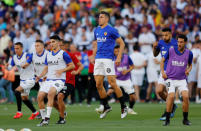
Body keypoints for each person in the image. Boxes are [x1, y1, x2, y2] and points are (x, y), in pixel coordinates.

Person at [92, 11, 127, 119]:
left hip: (108, 59)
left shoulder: (111, 30)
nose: (99, 19)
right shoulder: (96, 30)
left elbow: (122, 43)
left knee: (112, 82)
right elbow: (96, 43)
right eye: (99, 17)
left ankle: (123, 106)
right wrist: (94, 55)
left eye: (101, 17)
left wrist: (119, 57)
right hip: (98, 59)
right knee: (98, 84)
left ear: (107, 19)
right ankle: (106, 106)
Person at [36, 35, 75, 126]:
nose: (51, 44)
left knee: (51, 93)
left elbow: (72, 66)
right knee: (40, 96)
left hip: (59, 80)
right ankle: (43, 118)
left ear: (58, 42)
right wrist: (40, 76)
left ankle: (47, 119)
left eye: (53, 42)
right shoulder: (48, 54)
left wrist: (62, 70)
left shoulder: (63, 54)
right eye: (50, 42)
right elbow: (46, 68)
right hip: (49, 80)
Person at [161, 34, 193, 126]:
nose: (179, 44)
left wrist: (188, 70)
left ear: (185, 43)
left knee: (186, 97)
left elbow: (190, 65)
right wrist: (163, 72)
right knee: (171, 96)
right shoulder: (171, 50)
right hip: (170, 78)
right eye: (178, 41)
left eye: (181, 42)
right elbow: (162, 61)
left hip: (182, 79)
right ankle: (167, 120)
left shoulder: (189, 53)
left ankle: (185, 119)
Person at [53, 40, 83, 124]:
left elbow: (81, 66)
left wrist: (76, 72)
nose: (58, 46)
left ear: (65, 46)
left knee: (60, 96)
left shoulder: (70, 55)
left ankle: (62, 118)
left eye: (60, 45)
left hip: (68, 82)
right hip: (57, 81)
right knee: (50, 99)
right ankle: (62, 111)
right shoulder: (54, 56)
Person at [153, 28, 178, 120]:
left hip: (173, 71)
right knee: (159, 91)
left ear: (171, 34)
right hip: (163, 71)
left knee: (169, 92)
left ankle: (168, 112)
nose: (164, 37)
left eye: (166, 35)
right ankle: (173, 105)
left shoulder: (176, 43)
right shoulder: (160, 43)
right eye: (162, 35)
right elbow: (155, 54)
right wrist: (154, 47)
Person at [21, 40, 49, 121]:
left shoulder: (48, 54)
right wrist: (24, 65)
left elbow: (47, 68)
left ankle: (43, 116)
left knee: (40, 97)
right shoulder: (32, 55)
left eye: (38, 45)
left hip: (49, 78)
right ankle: (59, 110)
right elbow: (28, 62)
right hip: (40, 79)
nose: (36, 47)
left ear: (43, 46)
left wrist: (41, 76)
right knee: (46, 97)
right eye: (35, 46)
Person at [11, 42, 39, 120]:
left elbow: (28, 62)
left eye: (17, 48)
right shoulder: (14, 57)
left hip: (30, 80)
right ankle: (35, 112)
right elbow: (11, 66)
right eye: (15, 48)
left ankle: (19, 112)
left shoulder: (27, 55)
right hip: (22, 80)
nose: (16, 50)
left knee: (17, 91)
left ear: (22, 48)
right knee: (24, 98)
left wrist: (25, 65)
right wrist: (8, 66)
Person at [107, 45, 137, 115]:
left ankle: (130, 109)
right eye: (115, 51)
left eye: (118, 51)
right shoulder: (112, 58)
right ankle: (103, 106)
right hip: (116, 79)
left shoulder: (127, 57)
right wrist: (112, 75)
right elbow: (109, 69)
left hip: (126, 80)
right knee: (109, 92)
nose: (116, 53)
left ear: (121, 51)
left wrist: (127, 71)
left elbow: (132, 66)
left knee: (133, 97)